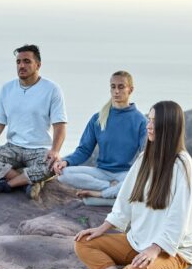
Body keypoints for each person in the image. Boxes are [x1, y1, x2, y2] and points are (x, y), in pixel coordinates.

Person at [64, 100, 192, 269]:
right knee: (84, 242)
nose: (148, 125)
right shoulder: (145, 157)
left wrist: (155, 249)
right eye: (149, 119)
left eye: (155, 122)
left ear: (169, 126)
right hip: (137, 241)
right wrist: (103, 228)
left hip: (173, 250)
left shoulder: (182, 165)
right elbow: (125, 199)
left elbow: (179, 218)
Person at [0, 44, 67, 199]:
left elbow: (60, 126)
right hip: (12, 148)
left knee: (52, 167)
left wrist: (54, 151)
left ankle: (8, 184)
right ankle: (26, 181)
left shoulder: (52, 89)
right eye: (18, 62)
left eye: (27, 61)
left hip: (39, 149)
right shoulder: (7, 89)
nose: (21, 65)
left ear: (38, 65)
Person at [52, 70, 146, 200]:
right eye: (113, 87)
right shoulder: (98, 118)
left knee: (139, 181)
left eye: (121, 87)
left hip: (125, 173)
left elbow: (145, 154)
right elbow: (84, 150)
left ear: (130, 90)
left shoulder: (141, 121)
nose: (116, 91)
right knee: (63, 174)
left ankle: (103, 194)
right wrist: (66, 161)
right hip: (101, 173)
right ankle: (111, 189)